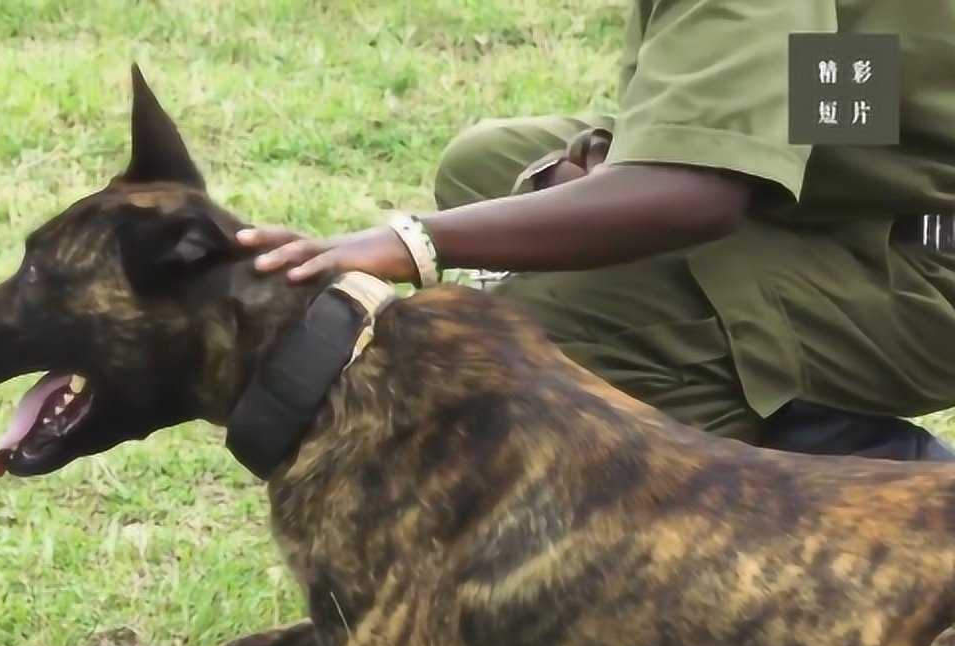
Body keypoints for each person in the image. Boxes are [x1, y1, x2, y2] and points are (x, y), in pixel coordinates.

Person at [235, 0, 955, 461]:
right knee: (485, 166)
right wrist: (624, 156)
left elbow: (696, 196)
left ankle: (866, 468)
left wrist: (412, 241)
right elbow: (855, 80)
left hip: (925, 271)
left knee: (551, 333)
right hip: (873, 187)